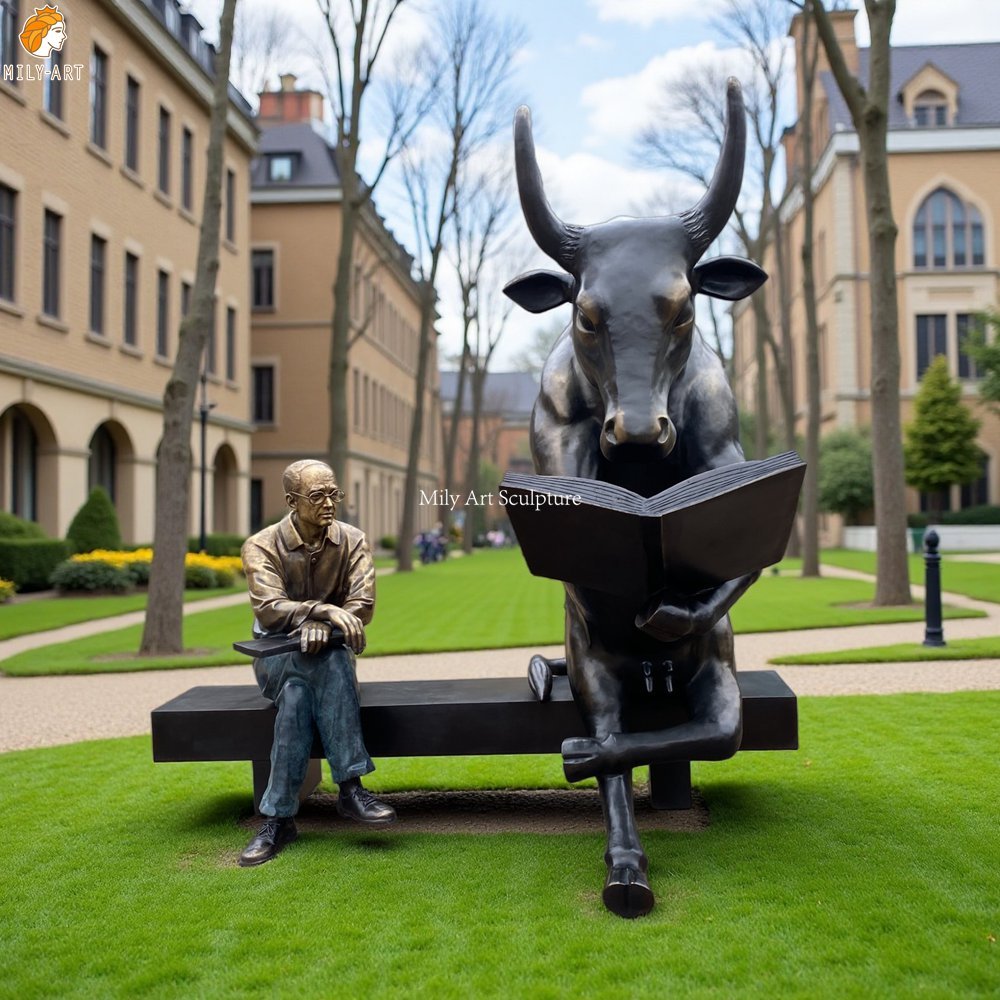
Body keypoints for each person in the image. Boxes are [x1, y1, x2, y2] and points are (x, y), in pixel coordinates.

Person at [238, 459, 395, 867]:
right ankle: (351, 787)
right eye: (317, 496)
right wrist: (319, 613)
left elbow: (363, 604)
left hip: (326, 656)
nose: (329, 503)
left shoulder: (353, 540)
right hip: (276, 657)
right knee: (322, 668)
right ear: (292, 501)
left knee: (296, 698)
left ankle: (277, 819)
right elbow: (269, 609)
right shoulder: (261, 545)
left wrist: (324, 626)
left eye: (334, 493)